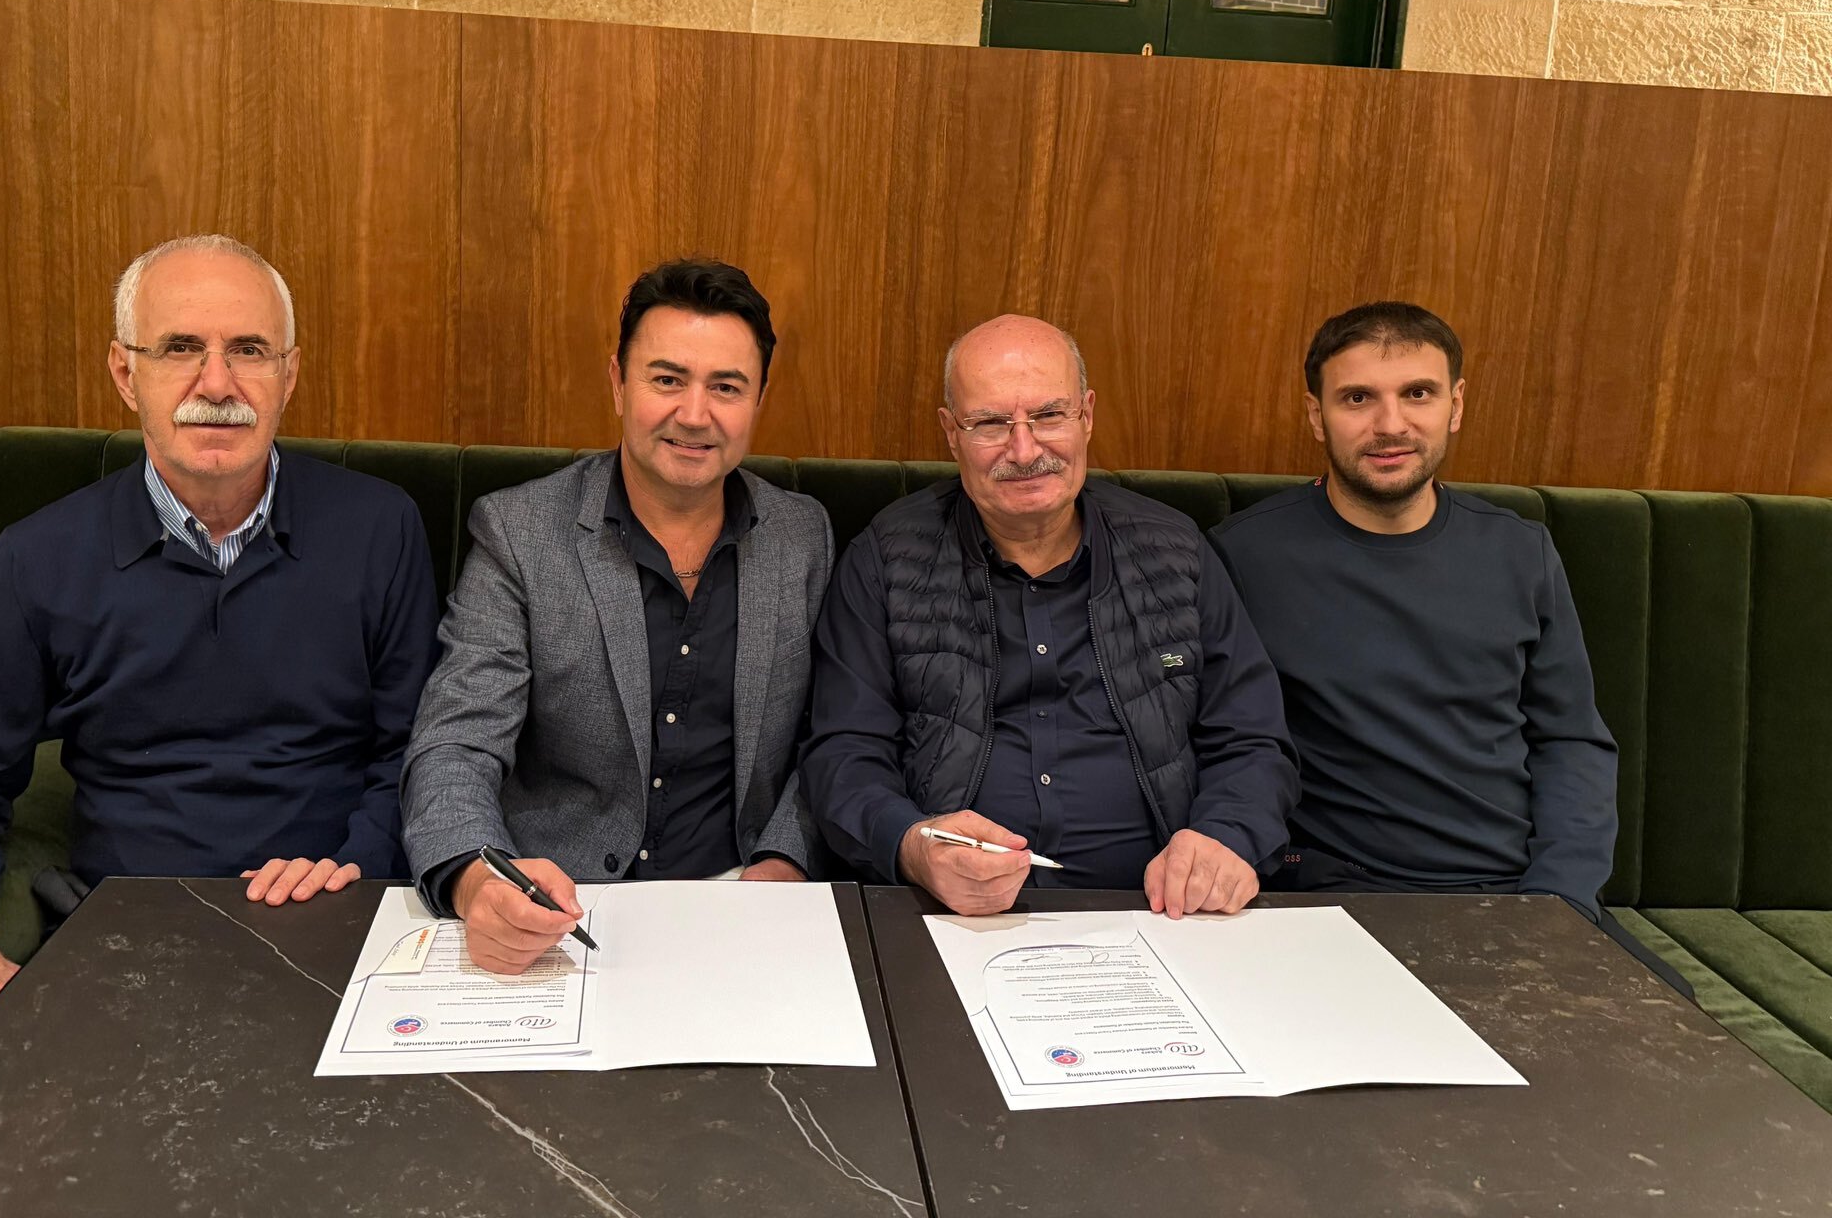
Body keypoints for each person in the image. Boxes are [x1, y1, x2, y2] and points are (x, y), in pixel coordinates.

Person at [0, 234, 438, 1052]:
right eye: (181, 348)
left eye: (248, 350)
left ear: (288, 374)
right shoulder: (36, 560)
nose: (216, 384)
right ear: (125, 372)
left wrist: (357, 864)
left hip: (341, 929)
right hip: (124, 947)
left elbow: (417, 755)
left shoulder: (380, 529)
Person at [402, 259, 834, 974]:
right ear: (618, 383)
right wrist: (481, 880)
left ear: (759, 399)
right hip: (562, 908)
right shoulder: (519, 533)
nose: (694, 414)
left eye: (726, 387)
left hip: (744, 904)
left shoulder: (803, 536)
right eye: (667, 379)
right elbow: (457, 741)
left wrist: (786, 860)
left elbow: (833, 732)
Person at [801, 314, 1298, 918]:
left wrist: (1226, 837)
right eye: (990, 423)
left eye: (1049, 415)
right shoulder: (885, 559)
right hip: (947, 917)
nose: (1024, 449)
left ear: (1086, 415)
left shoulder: (1178, 552)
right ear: (951, 434)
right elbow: (844, 751)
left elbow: (1252, 739)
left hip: (1166, 916)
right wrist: (911, 846)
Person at [1209, 303, 1646, 947]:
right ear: (1316, 414)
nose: (1391, 425)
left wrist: (1559, 902)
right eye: (1358, 397)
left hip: (1517, 890)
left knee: (1666, 1018)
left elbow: (1571, 741)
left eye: (1418, 393)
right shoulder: (1242, 556)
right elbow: (1223, 742)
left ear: (1455, 404)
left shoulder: (1521, 551)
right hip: (1336, 891)